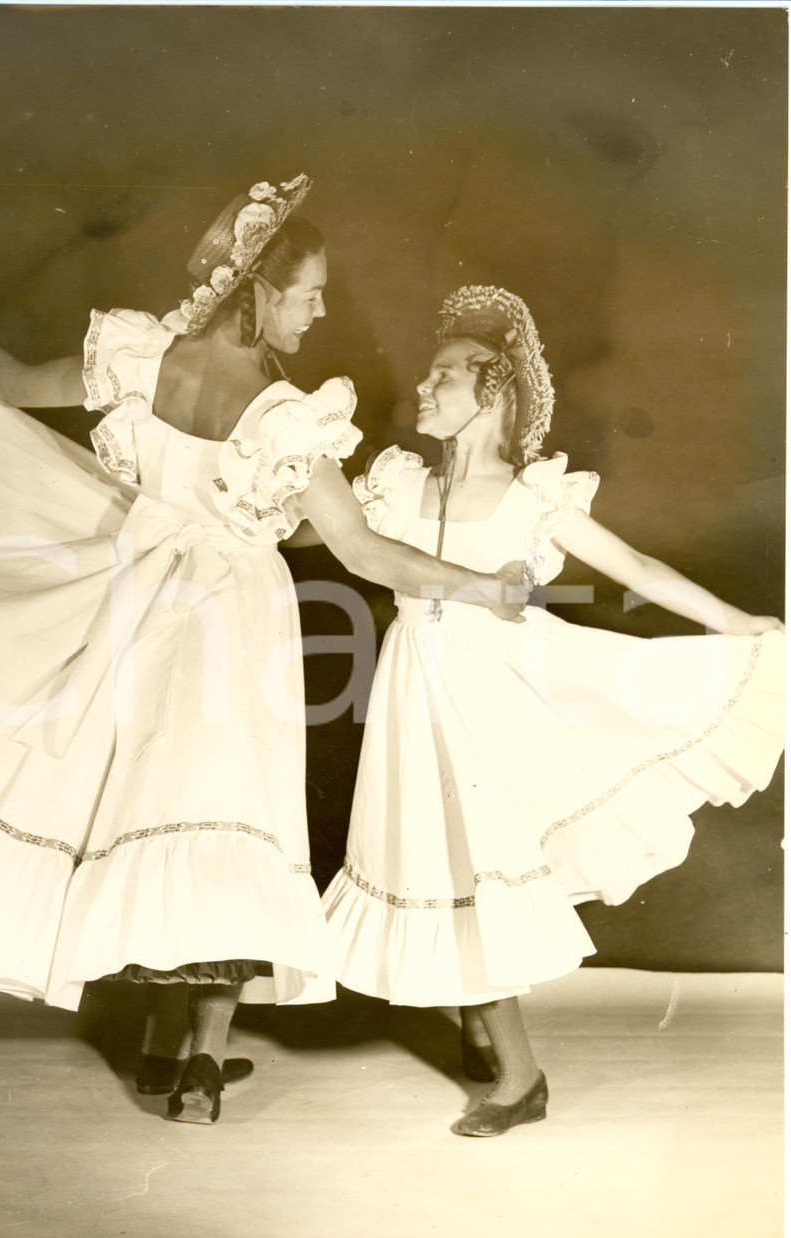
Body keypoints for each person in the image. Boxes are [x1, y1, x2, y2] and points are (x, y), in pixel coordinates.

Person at [0, 179, 526, 1126]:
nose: (320, 309)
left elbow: (10, 385)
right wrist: (483, 584)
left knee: (142, 807)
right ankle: (204, 1066)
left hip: (138, 607)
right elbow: (364, 554)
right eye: (308, 292)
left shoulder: (143, 362)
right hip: (228, 626)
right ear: (258, 293)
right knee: (226, 819)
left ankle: (155, 1052)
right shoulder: (284, 418)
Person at [320, 285, 784, 1137]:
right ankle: (479, 1024)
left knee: (475, 865)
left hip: (495, 694)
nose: (423, 391)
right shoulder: (394, 484)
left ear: (490, 391)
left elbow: (636, 567)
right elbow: (315, 529)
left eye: (444, 378)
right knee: (437, 857)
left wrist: (738, 624)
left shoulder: (536, 498)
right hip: (411, 689)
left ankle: (520, 1079)